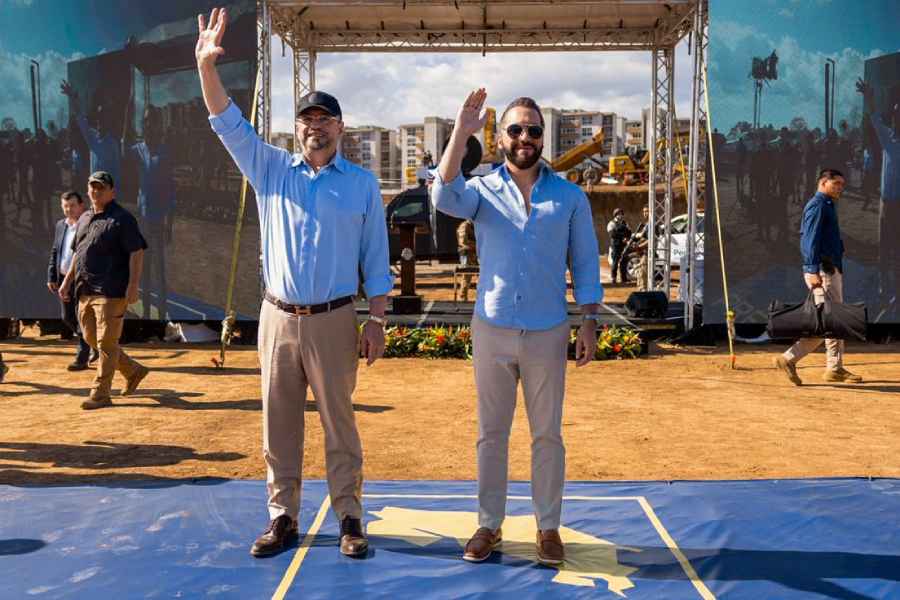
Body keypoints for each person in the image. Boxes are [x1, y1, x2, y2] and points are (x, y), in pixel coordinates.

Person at [197, 8, 392, 559]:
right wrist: (206, 68)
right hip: (279, 318)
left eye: (324, 119)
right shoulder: (269, 168)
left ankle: (349, 517)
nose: (314, 126)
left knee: (340, 426)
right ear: (298, 127)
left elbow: (376, 263)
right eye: (307, 119)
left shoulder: (361, 186)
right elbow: (226, 121)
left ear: (340, 128)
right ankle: (282, 517)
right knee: (278, 424)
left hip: (335, 320)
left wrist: (376, 319)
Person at [433, 89, 603, 565]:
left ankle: (548, 528)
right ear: (500, 137)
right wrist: (461, 132)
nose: (525, 137)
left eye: (533, 130)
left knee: (547, 433)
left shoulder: (569, 197)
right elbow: (443, 195)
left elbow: (585, 261)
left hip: (549, 331)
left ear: (542, 138)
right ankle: (489, 524)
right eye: (515, 129)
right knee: (491, 433)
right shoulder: (482, 190)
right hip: (492, 328)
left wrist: (588, 322)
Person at [58, 171, 149, 409]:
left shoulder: (123, 219)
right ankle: (133, 371)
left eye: (101, 187)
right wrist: (67, 281)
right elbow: (79, 252)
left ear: (112, 192)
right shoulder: (85, 216)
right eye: (92, 187)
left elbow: (137, 251)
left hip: (111, 290)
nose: (96, 191)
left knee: (106, 344)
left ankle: (100, 394)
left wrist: (133, 284)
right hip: (84, 289)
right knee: (90, 338)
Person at [774, 168, 862, 386]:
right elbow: (809, 240)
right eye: (836, 183)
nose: (841, 187)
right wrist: (813, 270)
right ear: (823, 182)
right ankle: (790, 358)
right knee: (828, 322)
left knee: (831, 320)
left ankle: (834, 367)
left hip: (828, 268)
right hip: (823, 270)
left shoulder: (827, 205)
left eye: (842, 184)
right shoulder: (818, 205)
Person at [125, 106, 175, 319]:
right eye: (145, 121)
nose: (147, 125)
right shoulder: (138, 149)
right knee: (143, 270)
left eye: (151, 121)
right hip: (143, 221)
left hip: (159, 221)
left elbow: (171, 191)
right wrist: (127, 115)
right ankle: (146, 314)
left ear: (158, 124)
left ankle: (162, 316)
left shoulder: (165, 152)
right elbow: (122, 145)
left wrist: (169, 225)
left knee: (160, 272)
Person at [857, 79, 900, 314]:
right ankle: (884, 288)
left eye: (898, 115)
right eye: (894, 114)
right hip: (886, 204)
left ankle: (897, 293)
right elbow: (874, 117)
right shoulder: (888, 137)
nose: (895, 118)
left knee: (897, 251)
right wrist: (868, 96)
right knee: (884, 249)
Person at [47, 190, 95, 370]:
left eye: (72, 205)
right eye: (65, 206)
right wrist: (52, 275)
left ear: (81, 205)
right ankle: (93, 343)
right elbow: (55, 251)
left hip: (82, 280)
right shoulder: (61, 225)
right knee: (67, 317)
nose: (68, 209)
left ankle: (81, 358)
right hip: (62, 277)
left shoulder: (88, 224)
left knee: (81, 318)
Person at [607, 208, 632, 284]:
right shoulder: (611, 223)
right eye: (618, 214)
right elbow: (612, 234)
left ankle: (623, 278)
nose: (620, 215)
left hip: (624, 245)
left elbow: (629, 232)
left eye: (621, 214)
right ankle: (613, 278)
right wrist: (622, 237)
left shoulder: (625, 223)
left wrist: (626, 238)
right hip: (616, 245)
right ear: (615, 215)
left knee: (624, 261)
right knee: (615, 262)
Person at [456, 219, 478, 301]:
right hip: (467, 254)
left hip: (476, 253)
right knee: (467, 276)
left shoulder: (474, 226)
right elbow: (463, 242)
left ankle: (480, 297)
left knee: (481, 276)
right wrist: (478, 245)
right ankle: (462, 297)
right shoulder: (464, 226)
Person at [632, 205, 651, 291]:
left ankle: (643, 292)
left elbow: (651, 240)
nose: (645, 213)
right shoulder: (646, 225)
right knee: (640, 273)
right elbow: (644, 238)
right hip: (643, 253)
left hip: (648, 253)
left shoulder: (652, 224)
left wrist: (639, 246)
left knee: (643, 275)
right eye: (644, 211)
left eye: (647, 211)